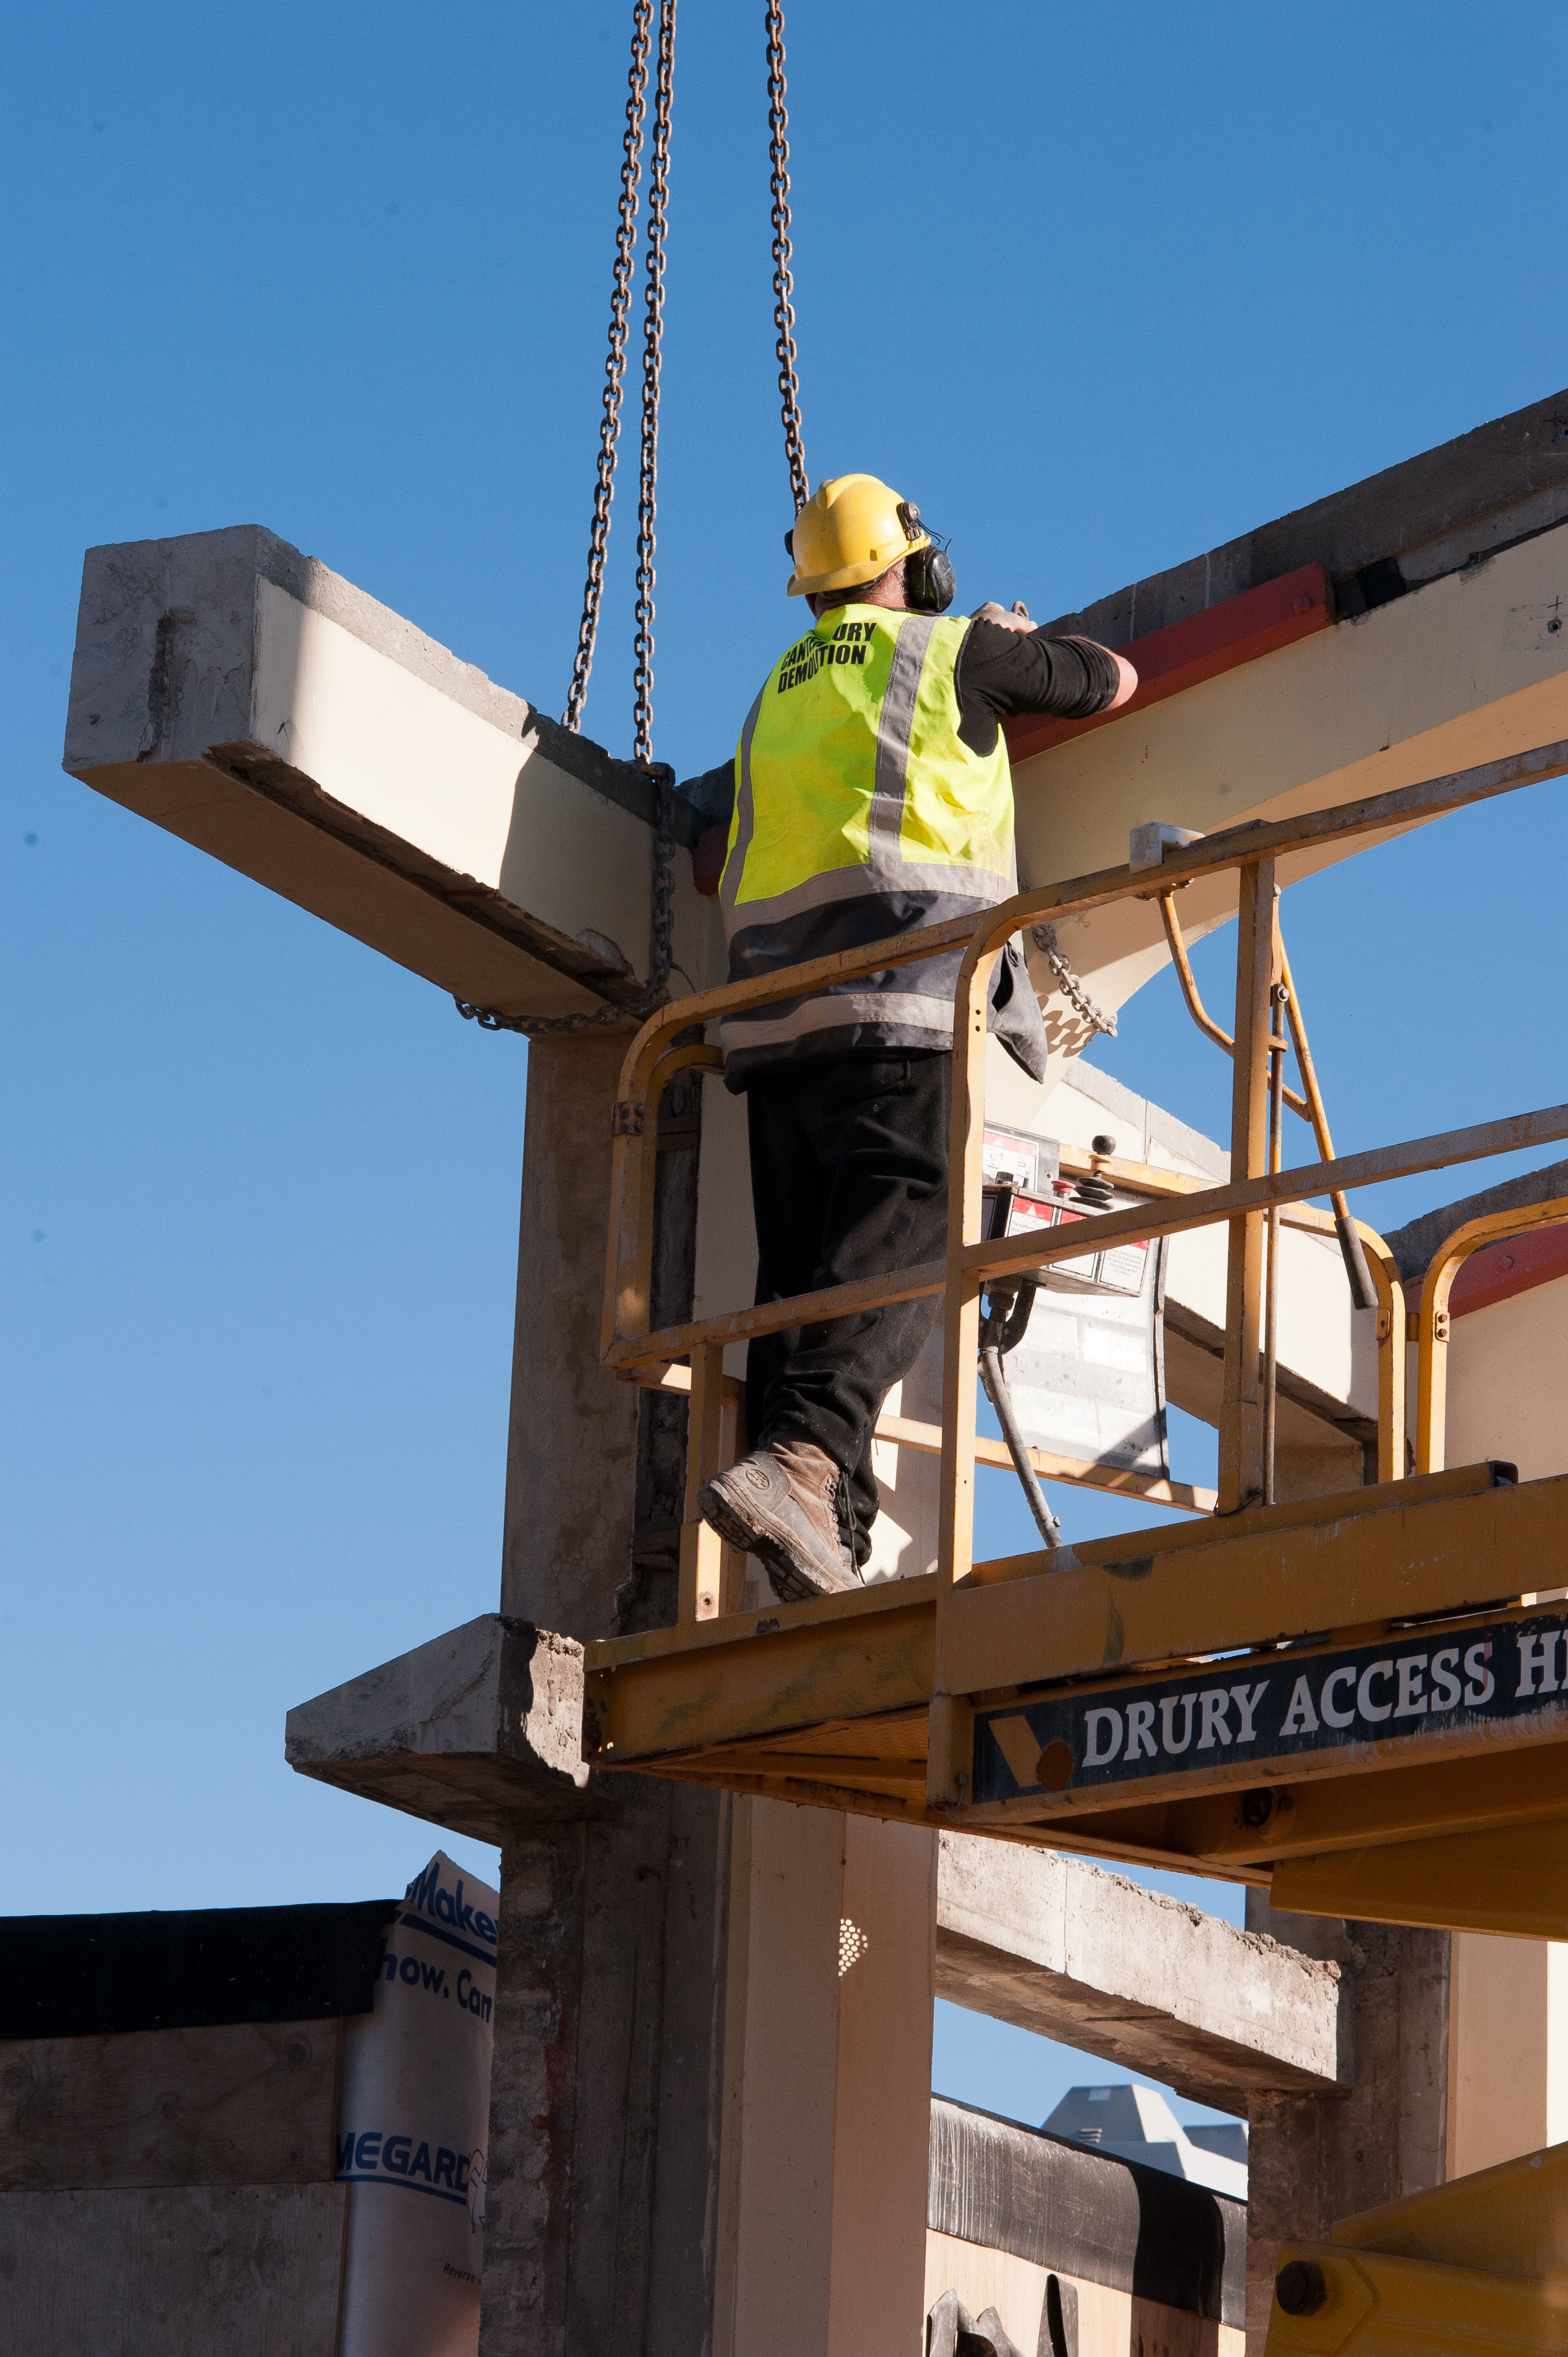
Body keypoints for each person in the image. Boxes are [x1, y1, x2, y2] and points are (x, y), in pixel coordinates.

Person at [677, 473, 1136, 1603]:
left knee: (803, 1279)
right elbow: (1111, 681)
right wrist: (1017, 640)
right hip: (904, 996)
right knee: (908, 1233)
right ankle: (805, 1465)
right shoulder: (953, 651)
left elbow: (716, 837)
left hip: (776, 1028)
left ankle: (826, 1526)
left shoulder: (771, 700)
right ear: (910, 565)